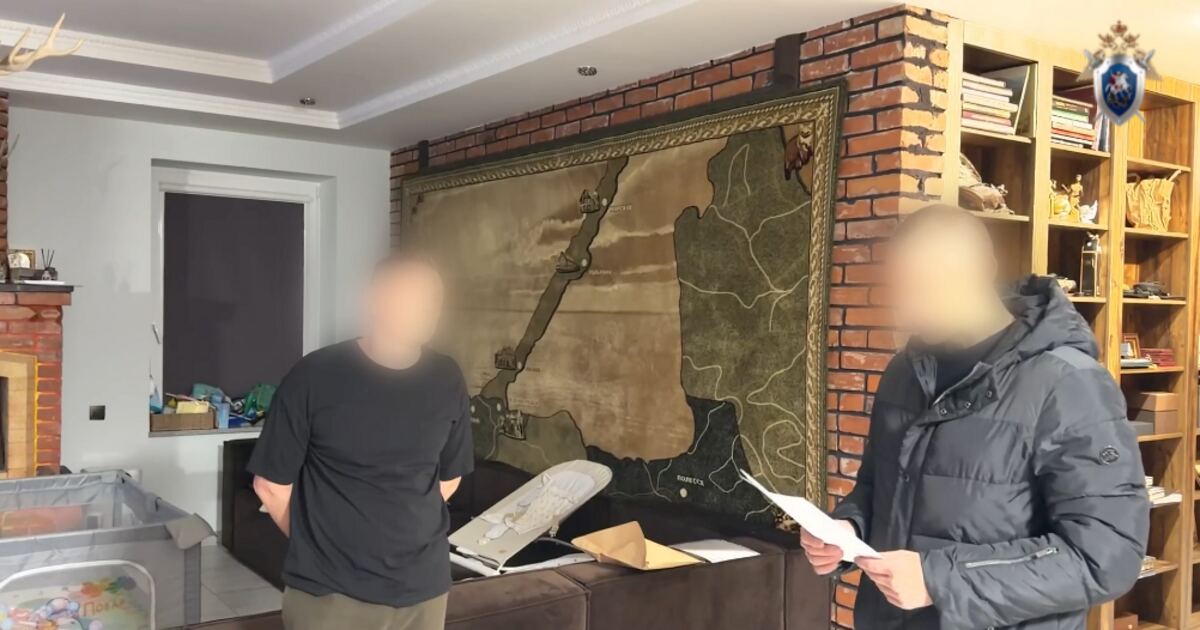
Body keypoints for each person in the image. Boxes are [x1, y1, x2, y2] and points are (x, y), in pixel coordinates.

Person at [802, 204, 1148, 629]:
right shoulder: (904, 372)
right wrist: (848, 530)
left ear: (981, 272)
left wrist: (940, 580)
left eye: (923, 288)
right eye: (898, 291)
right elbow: (877, 488)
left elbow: (1105, 557)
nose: (903, 314)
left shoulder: (1068, 385)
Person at [249, 251, 473, 630]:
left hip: (425, 591)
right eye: (414, 296)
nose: (427, 309)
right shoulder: (315, 375)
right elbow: (270, 486)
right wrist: (319, 551)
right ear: (375, 300)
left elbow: (449, 477)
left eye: (434, 298)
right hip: (332, 598)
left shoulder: (447, 377)